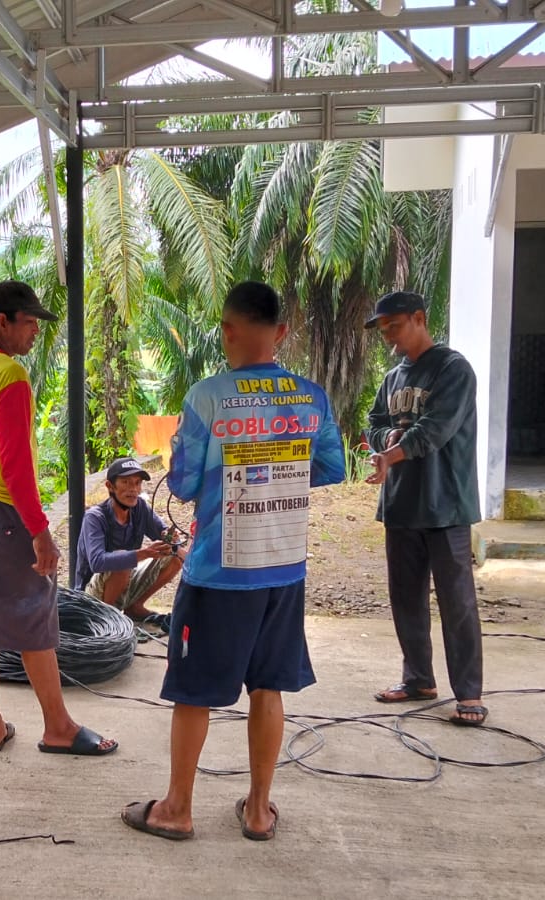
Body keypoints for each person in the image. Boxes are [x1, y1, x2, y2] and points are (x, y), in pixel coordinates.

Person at [122, 281, 344, 842]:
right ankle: (259, 810)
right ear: (281, 332)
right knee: (268, 686)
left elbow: (184, 482)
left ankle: (176, 809)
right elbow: (331, 467)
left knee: (193, 689)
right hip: (283, 566)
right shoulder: (311, 397)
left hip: (219, 571)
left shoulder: (208, 397)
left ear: (227, 330)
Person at [0, 280, 118, 757]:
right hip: (1, 512)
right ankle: (58, 727)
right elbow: (15, 466)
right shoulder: (10, 376)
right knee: (34, 614)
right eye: (28, 323)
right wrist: (40, 532)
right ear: (2, 321)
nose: (35, 333)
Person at [363, 290, 487, 727]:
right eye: (383, 331)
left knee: (457, 603)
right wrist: (384, 441)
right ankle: (418, 679)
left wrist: (391, 454)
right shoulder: (392, 379)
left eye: (394, 327)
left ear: (419, 318)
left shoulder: (453, 369)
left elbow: (436, 429)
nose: (389, 337)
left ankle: (468, 693)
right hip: (401, 505)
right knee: (406, 599)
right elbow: (375, 422)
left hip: (446, 505)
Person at [73, 457, 183, 631]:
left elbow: (162, 532)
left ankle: (135, 607)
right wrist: (143, 553)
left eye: (137, 483)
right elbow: (97, 562)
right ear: (110, 486)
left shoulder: (140, 507)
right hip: (91, 596)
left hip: (125, 578)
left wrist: (170, 538)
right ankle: (106, 621)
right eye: (125, 482)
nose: (133, 489)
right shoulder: (95, 517)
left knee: (176, 555)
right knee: (123, 562)